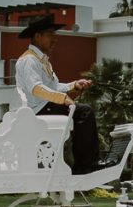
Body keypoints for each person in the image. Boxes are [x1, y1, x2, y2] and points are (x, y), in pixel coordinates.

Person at [15, 14, 114, 174]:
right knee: (84, 112)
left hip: (43, 107)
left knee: (82, 112)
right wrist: (63, 98)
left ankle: (84, 164)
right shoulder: (29, 60)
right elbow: (36, 89)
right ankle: (86, 165)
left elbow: (53, 87)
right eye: (50, 34)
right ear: (38, 36)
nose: (55, 39)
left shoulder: (41, 60)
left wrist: (74, 85)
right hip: (37, 110)